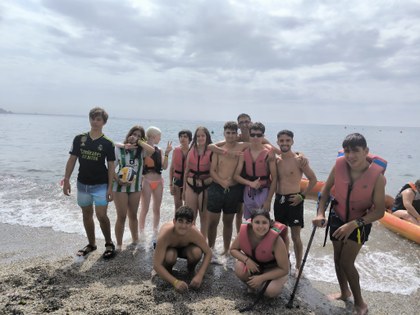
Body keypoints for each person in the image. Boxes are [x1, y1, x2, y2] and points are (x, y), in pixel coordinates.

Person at [313, 133, 386, 315]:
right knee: (337, 259)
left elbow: (379, 211)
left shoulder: (377, 178)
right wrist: (320, 213)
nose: (350, 155)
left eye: (355, 151)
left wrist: (354, 224)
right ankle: (345, 293)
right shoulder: (338, 166)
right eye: (347, 151)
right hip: (337, 216)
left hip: (360, 222)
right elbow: (325, 191)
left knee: (347, 262)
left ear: (366, 151)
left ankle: (360, 303)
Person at [62, 107, 116, 259]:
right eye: (92, 118)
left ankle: (109, 243)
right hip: (82, 184)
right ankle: (91, 244)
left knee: (101, 215)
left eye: (98, 119)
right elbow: (72, 159)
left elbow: (111, 166)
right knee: (86, 214)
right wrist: (66, 180)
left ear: (104, 122)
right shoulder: (79, 138)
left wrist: (110, 187)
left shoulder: (107, 143)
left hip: (101, 185)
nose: (95, 121)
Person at [274, 129, 317, 276]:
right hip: (279, 199)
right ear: (277, 142)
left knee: (295, 236)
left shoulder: (299, 160)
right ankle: (284, 262)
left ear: (292, 142)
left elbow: (313, 179)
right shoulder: (276, 159)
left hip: (294, 200)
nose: (284, 143)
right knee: (280, 235)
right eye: (282, 141)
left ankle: (299, 266)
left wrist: (302, 196)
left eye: (287, 140)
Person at [207, 121, 248, 255]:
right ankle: (211, 248)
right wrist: (221, 182)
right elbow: (212, 171)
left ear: (237, 134)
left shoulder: (242, 147)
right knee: (212, 222)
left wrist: (298, 155)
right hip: (217, 187)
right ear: (224, 133)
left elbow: (262, 144)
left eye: (233, 133)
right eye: (228, 133)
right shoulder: (219, 150)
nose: (230, 136)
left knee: (228, 222)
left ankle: (226, 250)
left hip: (234, 190)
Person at [113, 126, 155, 251]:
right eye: (134, 134)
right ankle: (119, 245)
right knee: (121, 216)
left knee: (133, 215)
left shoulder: (142, 151)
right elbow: (111, 168)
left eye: (138, 135)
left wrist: (140, 142)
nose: (135, 137)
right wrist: (118, 180)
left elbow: (152, 151)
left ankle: (135, 241)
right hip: (120, 186)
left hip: (135, 187)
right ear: (129, 134)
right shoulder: (118, 149)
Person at [230, 209, 289, 297]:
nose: (261, 226)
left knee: (271, 292)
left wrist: (261, 278)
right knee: (239, 268)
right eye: (257, 222)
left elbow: (284, 269)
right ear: (251, 223)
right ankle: (253, 284)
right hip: (255, 265)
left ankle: (269, 283)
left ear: (270, 224)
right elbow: (233, 249)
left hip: (273, 268)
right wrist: (247, 260)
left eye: (264, 222)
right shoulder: (245, 232)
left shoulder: (277, 241)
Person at [153, 205, 212, 293]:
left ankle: (190, 269)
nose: (183, 226)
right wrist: (175, 282)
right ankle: (168, 271)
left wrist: (200, 275)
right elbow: (156, 265)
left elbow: (208, 253)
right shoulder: (166, 234)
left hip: (185, 250)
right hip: (170, 250)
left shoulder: (194, 233)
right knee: (170, 255)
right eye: (180, 221)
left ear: (192, 224)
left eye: (187, 222)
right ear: (174, 221)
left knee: (196, 252)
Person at [233, 122, 277, 220]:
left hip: (264, 191)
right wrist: (250, 183)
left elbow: (275, 179)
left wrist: (268, 200)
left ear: (263, 136)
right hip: (248, 191)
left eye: (259, 135)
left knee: (262, 221)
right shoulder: (244, 153)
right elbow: (236, 176)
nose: (255, 137)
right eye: (253, 135)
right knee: (249, 221)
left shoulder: (269, 154)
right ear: (249, 135)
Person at [139, 126, 172, 248]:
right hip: (146, 181)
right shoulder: (143, 149)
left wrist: (167, 153)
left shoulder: (160, 150)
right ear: (153, 136)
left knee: (156, 209)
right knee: (145, 208)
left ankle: (155, 232)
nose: (160, 138)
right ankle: (141, 233)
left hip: (158, 182)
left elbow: (164, 167)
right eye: (159, 136)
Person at [183, 127, 214, 238]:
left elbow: (214, 172)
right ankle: (191, 239)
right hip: (190, 185)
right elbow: (186, 170)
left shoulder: (212, 151)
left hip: (206, 186)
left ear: (207, 137)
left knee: (204, 217)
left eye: (203, 136)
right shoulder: (192, 150)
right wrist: (184, 189)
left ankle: (202, 241)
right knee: (190, 215)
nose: (200, 138)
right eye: (198, 136)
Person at [169, 129, 192, 211]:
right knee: (177, 206)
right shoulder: (176, 150)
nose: (182, 138)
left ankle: (188, 223)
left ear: (190, 139)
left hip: (188, 181)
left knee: (188, 206)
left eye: (185, 136)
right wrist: (170, 185)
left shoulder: (192, 151)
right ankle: (177, 223)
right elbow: (171, 168)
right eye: (181, 136)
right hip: (177, 180)